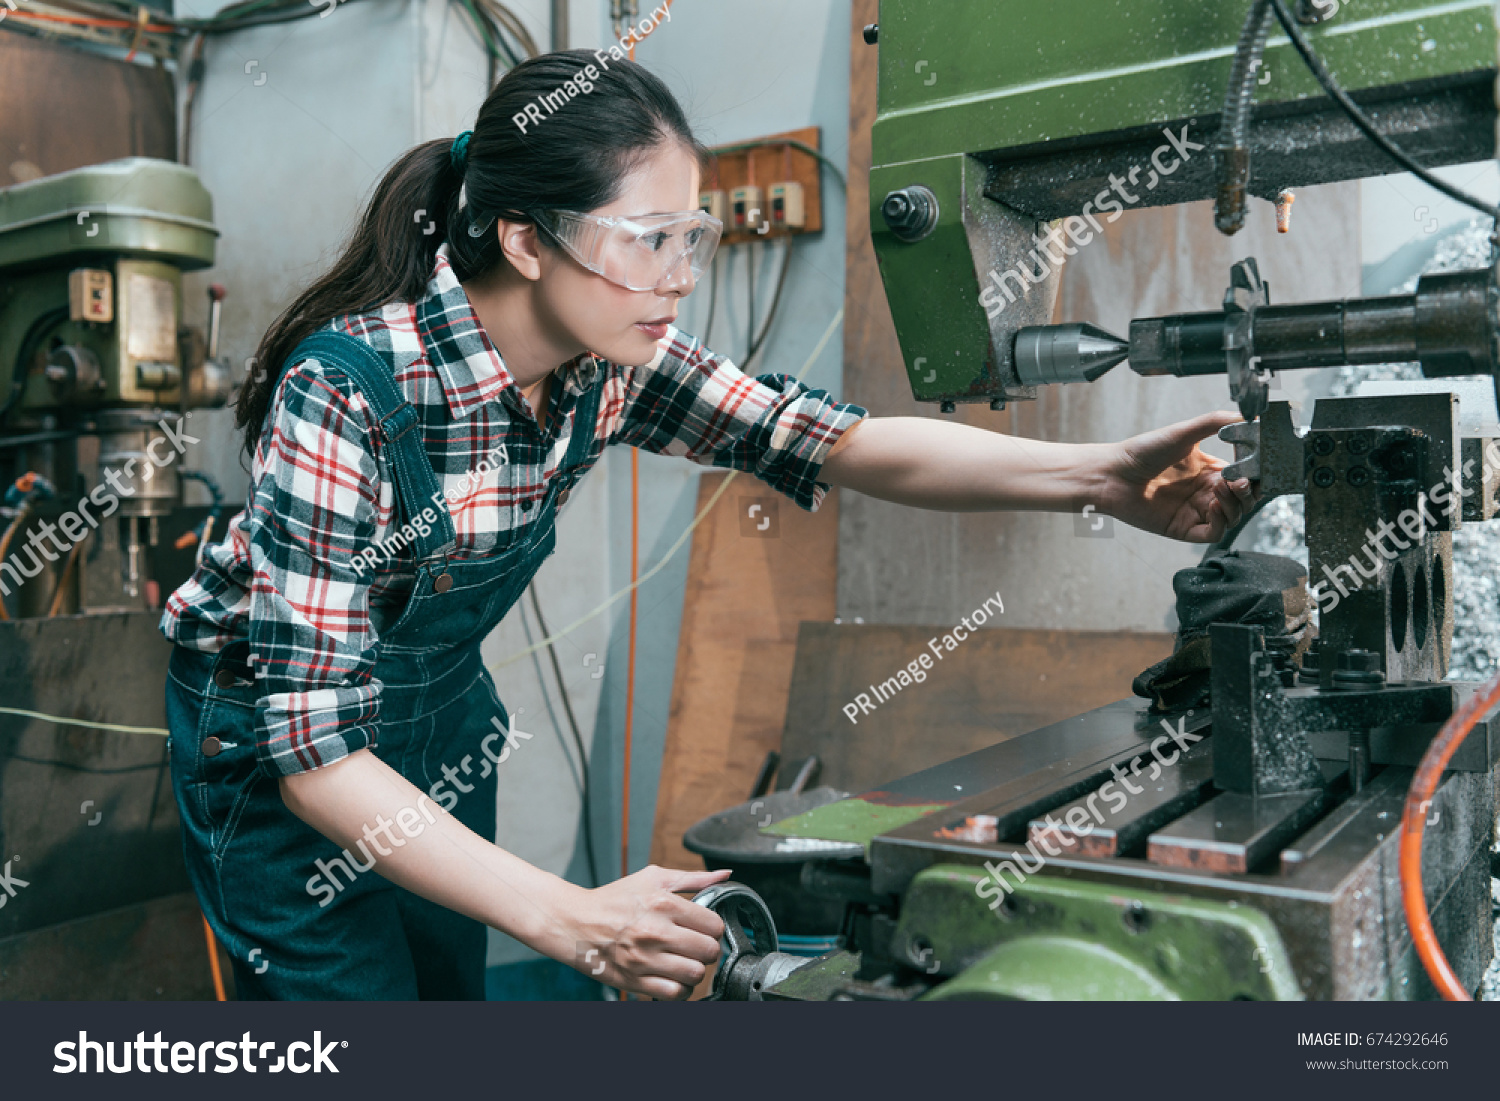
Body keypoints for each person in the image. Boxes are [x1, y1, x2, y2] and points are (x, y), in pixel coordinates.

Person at [159, 49, 1253, 1001]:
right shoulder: (348, 388)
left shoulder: (609, 363)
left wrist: (1100, 476)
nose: (680, 280)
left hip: (433, 716)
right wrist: (571, 919)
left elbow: (839, 441)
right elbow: (315, 756)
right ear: (528, 242)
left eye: (694, 237)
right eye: (650, 241)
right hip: (274, 754)